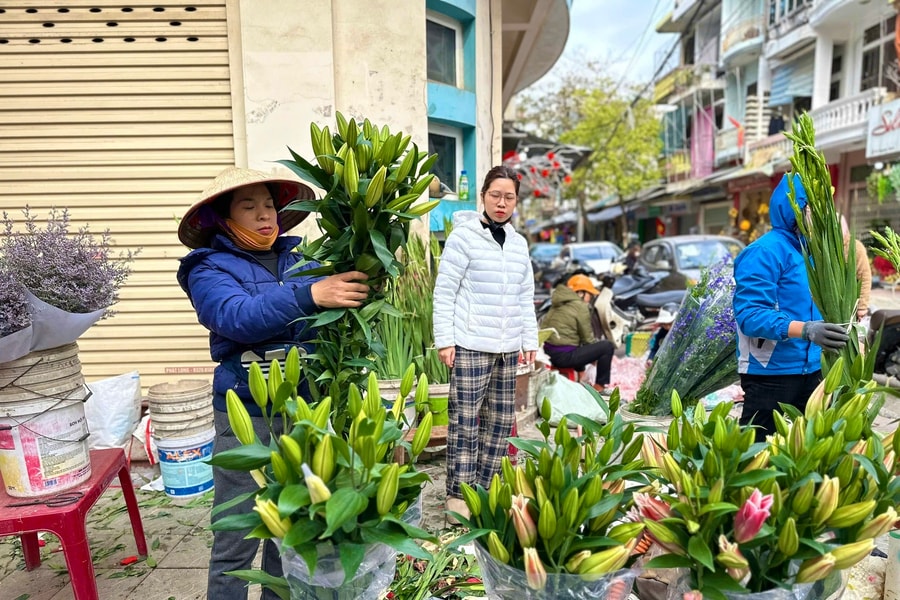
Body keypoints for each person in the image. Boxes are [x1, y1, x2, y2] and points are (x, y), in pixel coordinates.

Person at [176, 167, 370, 600]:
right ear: (223, 218)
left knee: (291, 527)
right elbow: (236, 317)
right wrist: (310, 295)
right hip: (248, 413)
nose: (265, 215)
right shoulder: (207, 268)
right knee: (238, 532)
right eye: (249, 207)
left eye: (269, 205)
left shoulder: (304, 261)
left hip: (304, 410)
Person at [433, 165, 539, 521]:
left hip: (507, 347)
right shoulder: (463, 238)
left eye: (509, 197)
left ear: (516, 201)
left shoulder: (519, 243)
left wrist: (529, 339)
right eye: (495, 195)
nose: (501, 203)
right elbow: (444, 292)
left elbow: (525, 296)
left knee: (500, 422)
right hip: (470, 343)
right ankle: (459, 497)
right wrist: (445, 341)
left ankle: (486, 489)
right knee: (465, 421)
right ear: (483, 196)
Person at [733, 173, 850, 442]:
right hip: (770, 372)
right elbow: (750, 315)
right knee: (756, 450)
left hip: (813, 369)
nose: (821, 215)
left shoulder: (814, 253)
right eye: (812, 207)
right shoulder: (765, 251)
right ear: (793, 207)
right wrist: (806, 330)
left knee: (811, 448)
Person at [541, 274, 616, 393]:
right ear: (581, 293)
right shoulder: (580, 306)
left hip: (547, 353)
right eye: (589, 294)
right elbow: (587, 339)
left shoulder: (558, 302)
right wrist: (595, 357)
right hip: (563, 357)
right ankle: (600, 386)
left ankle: (581, 376)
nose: (590, 298)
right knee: (607, 346)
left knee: (578, 344)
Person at [840, 216, 872, 320]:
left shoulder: (855, 247)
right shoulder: (823, 248)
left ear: (845, 228)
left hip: (850, 303)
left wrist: (862, 306)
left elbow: (864, 276)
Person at [646, 301, 678, 366]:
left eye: (670, 324)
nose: (667, 327)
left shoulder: (681, 333)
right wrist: (650, 358)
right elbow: (655, 348)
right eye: (664, 324)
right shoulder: (662, 333)